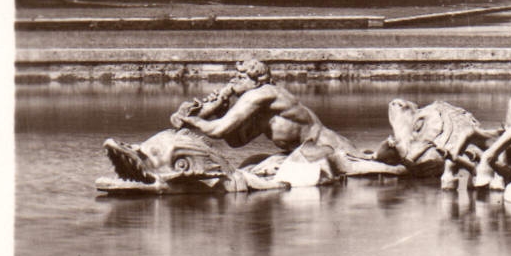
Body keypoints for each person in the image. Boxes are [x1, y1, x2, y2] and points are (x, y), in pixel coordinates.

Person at [171, 60, 401, 174]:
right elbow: (235, 140)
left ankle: (392, 153)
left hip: (329, 148)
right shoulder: (259, 108)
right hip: (304, 154)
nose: (234, 80)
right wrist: (220, 108)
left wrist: (191, 119)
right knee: (252, 165)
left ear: (256, 80)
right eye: (235, 75)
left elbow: (218, 131)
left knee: (372, 169)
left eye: (241, 76)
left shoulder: (263, 95)